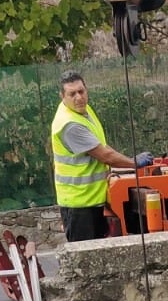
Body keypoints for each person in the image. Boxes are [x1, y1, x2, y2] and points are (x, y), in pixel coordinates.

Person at [51, 70, 152, 242]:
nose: (78, 97)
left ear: (86, 89)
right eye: (72, 94)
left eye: (81, 91)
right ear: (63, 96)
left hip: (89, 201)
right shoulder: (69, 124)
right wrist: (132, 163)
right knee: (85, 259)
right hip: (80, 205)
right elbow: (105, 155)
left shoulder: (83, 112)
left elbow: (99, 145)